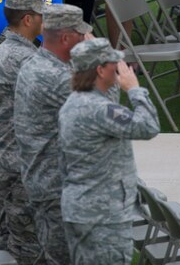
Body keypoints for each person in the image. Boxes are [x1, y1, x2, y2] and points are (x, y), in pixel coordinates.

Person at [59, 38, 160, 264]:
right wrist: (134, 89)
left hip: (81, 209)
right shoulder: (99, 110)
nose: (121, 69)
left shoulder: (75, 102)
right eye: (115, 64)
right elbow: (149, 126)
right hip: (102, 216)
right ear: (100, 70)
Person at [13, 4, 91, 265]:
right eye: (81, 34)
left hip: (42, 179)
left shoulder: (36, 63)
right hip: (56, 187)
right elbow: (100, 113)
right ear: (67, 38)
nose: (85, 39)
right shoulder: (54, 76)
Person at [0, 0, 44, 264]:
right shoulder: (26, 60)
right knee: (29, 251)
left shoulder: (0, 53)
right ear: (28, 19)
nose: (45, 21)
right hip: (22, 167)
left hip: (4, 159)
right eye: (41, 15)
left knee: (10, 243)